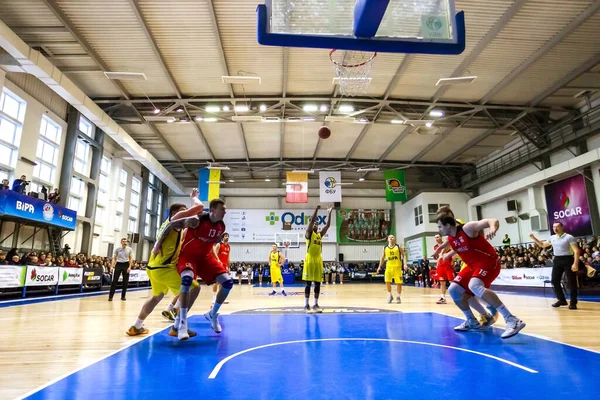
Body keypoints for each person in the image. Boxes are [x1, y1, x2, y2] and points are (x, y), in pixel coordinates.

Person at [433, 215, 526, 339]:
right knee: (454, 290)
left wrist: (492, 228)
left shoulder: (467, 228)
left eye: (440, 226)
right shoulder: (451, 238)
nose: (439, 229)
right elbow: (451, 243)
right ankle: (473, 320)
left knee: (474, 286)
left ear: (448, 225)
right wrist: (439, 251)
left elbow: (492, 220)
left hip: (489, 261)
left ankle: (512, 320)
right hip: (472, 265)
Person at [126, 195, 201, 337]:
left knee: (156, 297)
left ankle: (136, 326)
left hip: (153, 268)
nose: (186, 213)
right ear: (174, 214)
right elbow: (194, 214)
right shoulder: (174, 222)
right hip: (164, 268)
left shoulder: (169, 224)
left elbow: (170, 230)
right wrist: (195, 199)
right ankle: (178, 326)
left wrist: (158, 242)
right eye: (183, 211)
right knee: (194, 288)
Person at [173, 198, 230, 341]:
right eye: (222, 209)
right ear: (212, 210)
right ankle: (182, 323)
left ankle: (212, 314)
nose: (225, 211)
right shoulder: (197, 220)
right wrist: (157, 245)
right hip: (188, 257)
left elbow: (209, 245)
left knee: (228, 282)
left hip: (205, 259)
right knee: (186, 280)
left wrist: (216, 260)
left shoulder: (221, 227)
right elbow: (173, 223)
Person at [435, 206, 497, 328]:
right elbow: (453, 242)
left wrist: (448, 253)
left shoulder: (461, 225)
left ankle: (491, 309)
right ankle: (482, 315)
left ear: (449, 215)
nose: (439, 220)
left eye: (442, 216)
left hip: (477, 260)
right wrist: (442, 251)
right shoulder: (450, 233)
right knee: (460, 291)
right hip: (467, 260)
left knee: (469, 291)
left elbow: (463, 240)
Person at [530, 223, 580, 309]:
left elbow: (576, 251)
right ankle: (562, 300)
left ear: (562, 227)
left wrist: (575, 263)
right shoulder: (552, 237)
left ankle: (573, 302)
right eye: (553, 227)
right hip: (557, 260)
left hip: (568, 259)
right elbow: (543, 245)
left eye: (557, 226)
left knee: (572, 282)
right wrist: (534, 238)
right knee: (554, 280)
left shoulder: (569, 237)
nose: (555, 228)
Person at [302, 204, 333, 313]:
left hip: (318, 259)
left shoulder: (319, 235)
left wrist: (329, 213)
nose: (315, 224)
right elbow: (311, 221)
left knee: (318, 283)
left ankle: (315, 304)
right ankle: (306, 305)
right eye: (314, 223)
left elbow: (328, 225)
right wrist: (316, 209)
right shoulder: (308, 234)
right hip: (310, 259)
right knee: (308, 283)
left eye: (317, 224)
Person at [376, 235, 407, 304]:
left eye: (392, 237)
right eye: (389, 237)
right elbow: (382, 257)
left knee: (399, 283)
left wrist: (405, 264)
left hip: (397, 267)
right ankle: (390, 295)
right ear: (387, 239)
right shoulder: (385, 247)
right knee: (387, 281)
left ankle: (398, 297)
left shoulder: (398, 247)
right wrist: (379, 267)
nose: (391, 238)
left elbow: (404, 255)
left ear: (394, 239)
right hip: (389, 267)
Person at [433, 234, 454, 304]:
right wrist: (437, 263)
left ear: (441, 237)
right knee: (442, 282)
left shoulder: (446, 244)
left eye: (438, 237)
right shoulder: (435, 247)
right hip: (440, 266)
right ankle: (443, 298)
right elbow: (437, 257)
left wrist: (453, 261)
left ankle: (460, 296)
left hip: (448, 265)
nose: (436, 238)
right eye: (435, 237)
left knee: (452, 282)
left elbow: (453, 251)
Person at [212, 232, 231, 306]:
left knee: (223, 283)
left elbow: (228, 258)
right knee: (216, 282)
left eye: (228, 236)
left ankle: (220, 298)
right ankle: (213, 298)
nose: (227, 237)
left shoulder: (228, 247)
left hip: (224, 266)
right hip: (218, 266)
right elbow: (214, 255)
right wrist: (217, 262)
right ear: (222, 237)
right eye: (226, 236)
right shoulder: (219, 245)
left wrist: (228, 266)